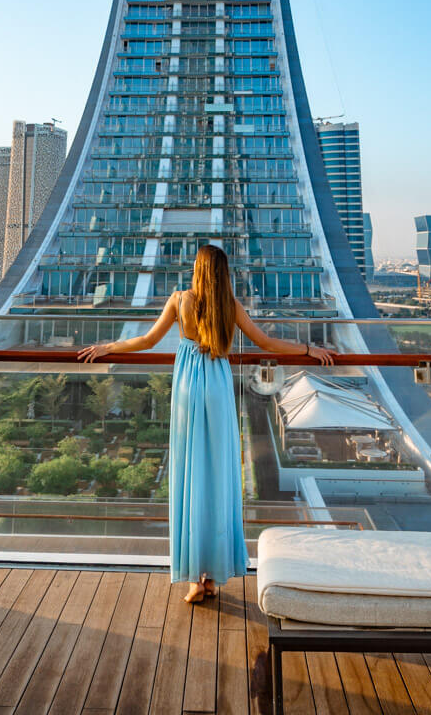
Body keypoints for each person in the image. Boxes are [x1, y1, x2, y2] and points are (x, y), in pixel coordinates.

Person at [79, 243, 333, 603]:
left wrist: (109, 347)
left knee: (191, 475)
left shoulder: (179, 300)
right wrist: (308, 350)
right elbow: (266, 342)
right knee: (217, 476)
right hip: (216, 386)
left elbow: (148, 341)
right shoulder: (229, 306)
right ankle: (211, 576)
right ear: (222, 273)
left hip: (187, 389)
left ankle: (197, 578)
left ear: (196, 270)